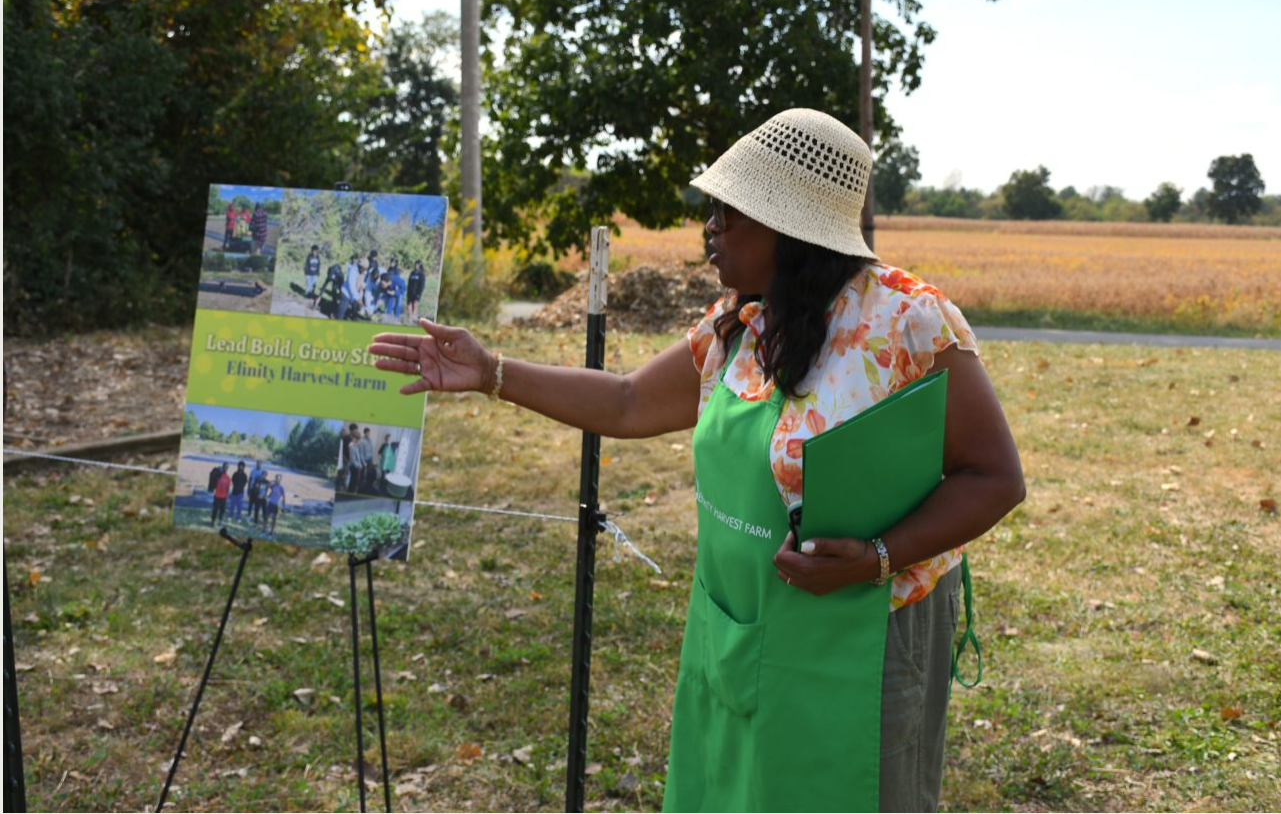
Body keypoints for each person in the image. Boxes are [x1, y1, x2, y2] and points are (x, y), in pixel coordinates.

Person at [368, 109, 1025, 813]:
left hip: (866, 637)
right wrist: (491, 371)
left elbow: (993, 479)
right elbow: (623, 403)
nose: (708, 228)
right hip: (737, 632)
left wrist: (876, 555)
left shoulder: (909, 323)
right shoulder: (742, 325)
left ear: (789, 223)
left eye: (727, 212)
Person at [340, 255, 363, 321]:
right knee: (342, 308)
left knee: (354, 308)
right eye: (354, 259)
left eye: (356, 259)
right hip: (347, 292)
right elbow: (351, 285)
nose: (354, 260)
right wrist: (358, 298)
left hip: (353, 294)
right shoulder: (352, 269)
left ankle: (353, 317)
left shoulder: (359, 271)